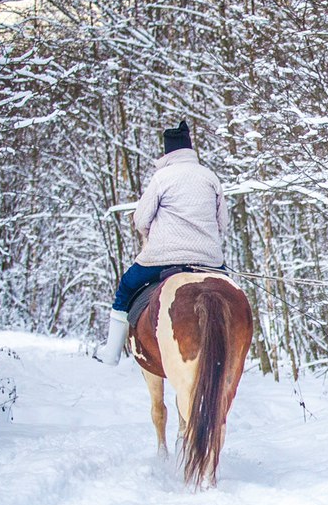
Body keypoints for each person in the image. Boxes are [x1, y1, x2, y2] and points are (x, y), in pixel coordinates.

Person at [95, 120, 230, 365]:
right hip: (209, 260)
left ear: (167, 152)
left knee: (126, 287)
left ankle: (111, 353)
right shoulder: (210, 177)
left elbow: (140, 219)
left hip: (163, 257)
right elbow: (223, 222)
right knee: (231, 298)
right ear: (190, 150)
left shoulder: (162, 177)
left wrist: (151, 232)